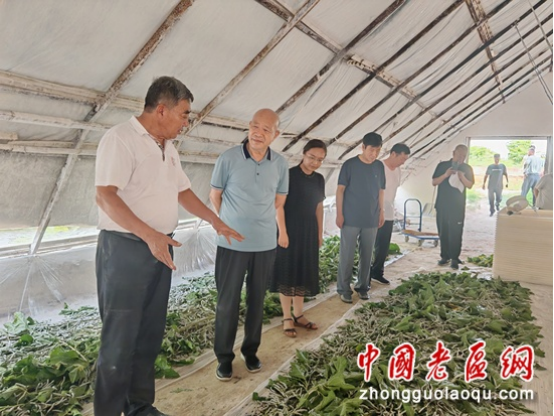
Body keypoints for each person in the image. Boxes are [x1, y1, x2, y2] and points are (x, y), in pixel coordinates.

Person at [94, 76, 242, 416]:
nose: (186, 122)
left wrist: (215, 220)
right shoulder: (121, 139)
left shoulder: (168, 148)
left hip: (160, 248)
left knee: (149, 335)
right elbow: (105, 196)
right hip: (125, 250)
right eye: (184, 114)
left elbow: (182, 191)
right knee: (119, 341)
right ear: (161, 110)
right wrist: (149, 235)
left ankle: (139, 406)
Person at [209, 109, 289, 382]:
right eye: (255, 126)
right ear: (249, 127)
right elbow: (215, 195)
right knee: (227, 303)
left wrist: (260, 220)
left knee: (257, 301)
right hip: (231, 244)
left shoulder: (280, 164)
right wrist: (230, 223)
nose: (258, 133)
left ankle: (250, 351)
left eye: (266, 129)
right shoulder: (228, 158)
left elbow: (279, 200)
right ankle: (224, 358)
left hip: (264, 244)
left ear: (275, 135)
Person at [271, 139, 327, 338]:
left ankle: (299, 314)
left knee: (303, 272)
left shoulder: (319, 179)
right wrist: (282, 232)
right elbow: (278, 205)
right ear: (303, 153)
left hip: (309, 231)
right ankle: (287, 317)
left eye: (320, 159)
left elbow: (319, 207)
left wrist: (319, 233)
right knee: (288, 273)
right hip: (289, 229)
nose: (315, 162)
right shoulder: (288, 175)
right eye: (312, 157)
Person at [336, 132, 386, 304]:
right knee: (347, 255)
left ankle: (363, 287)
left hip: (371, 218)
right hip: (350, 217)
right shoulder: (349, 165)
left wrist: (381, 211)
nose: (374, 154)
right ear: (363, 147)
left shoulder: (379, 166)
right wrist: (339, 213)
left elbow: (381, 191)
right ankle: (344, 289)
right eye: (372, 150)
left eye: (378, 151)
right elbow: (340, 190)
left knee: (367, 255)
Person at [370, 143, 411, 285]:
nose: (403, 162)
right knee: (370, 245)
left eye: (405, 160)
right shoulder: (378, 167)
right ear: (393, 154)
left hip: (388, 212)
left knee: (383, 245)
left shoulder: (398, 170)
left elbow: (393, 191)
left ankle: (377, 272)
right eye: (402, 158)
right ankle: (365, 276)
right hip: (374, 211)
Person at [432, 144, 475, 270]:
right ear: (453, 153)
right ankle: (444, 256)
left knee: (456, 232)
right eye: (459, 155)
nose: (461, 158)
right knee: (443, 231)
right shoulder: (442, 165)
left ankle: (455, 258)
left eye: (463, 156)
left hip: (457, 206)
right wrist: (446, 175)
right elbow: (434, 182)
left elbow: (470, 185)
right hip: (442, 204)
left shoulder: (467, 168)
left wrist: (462, 176)